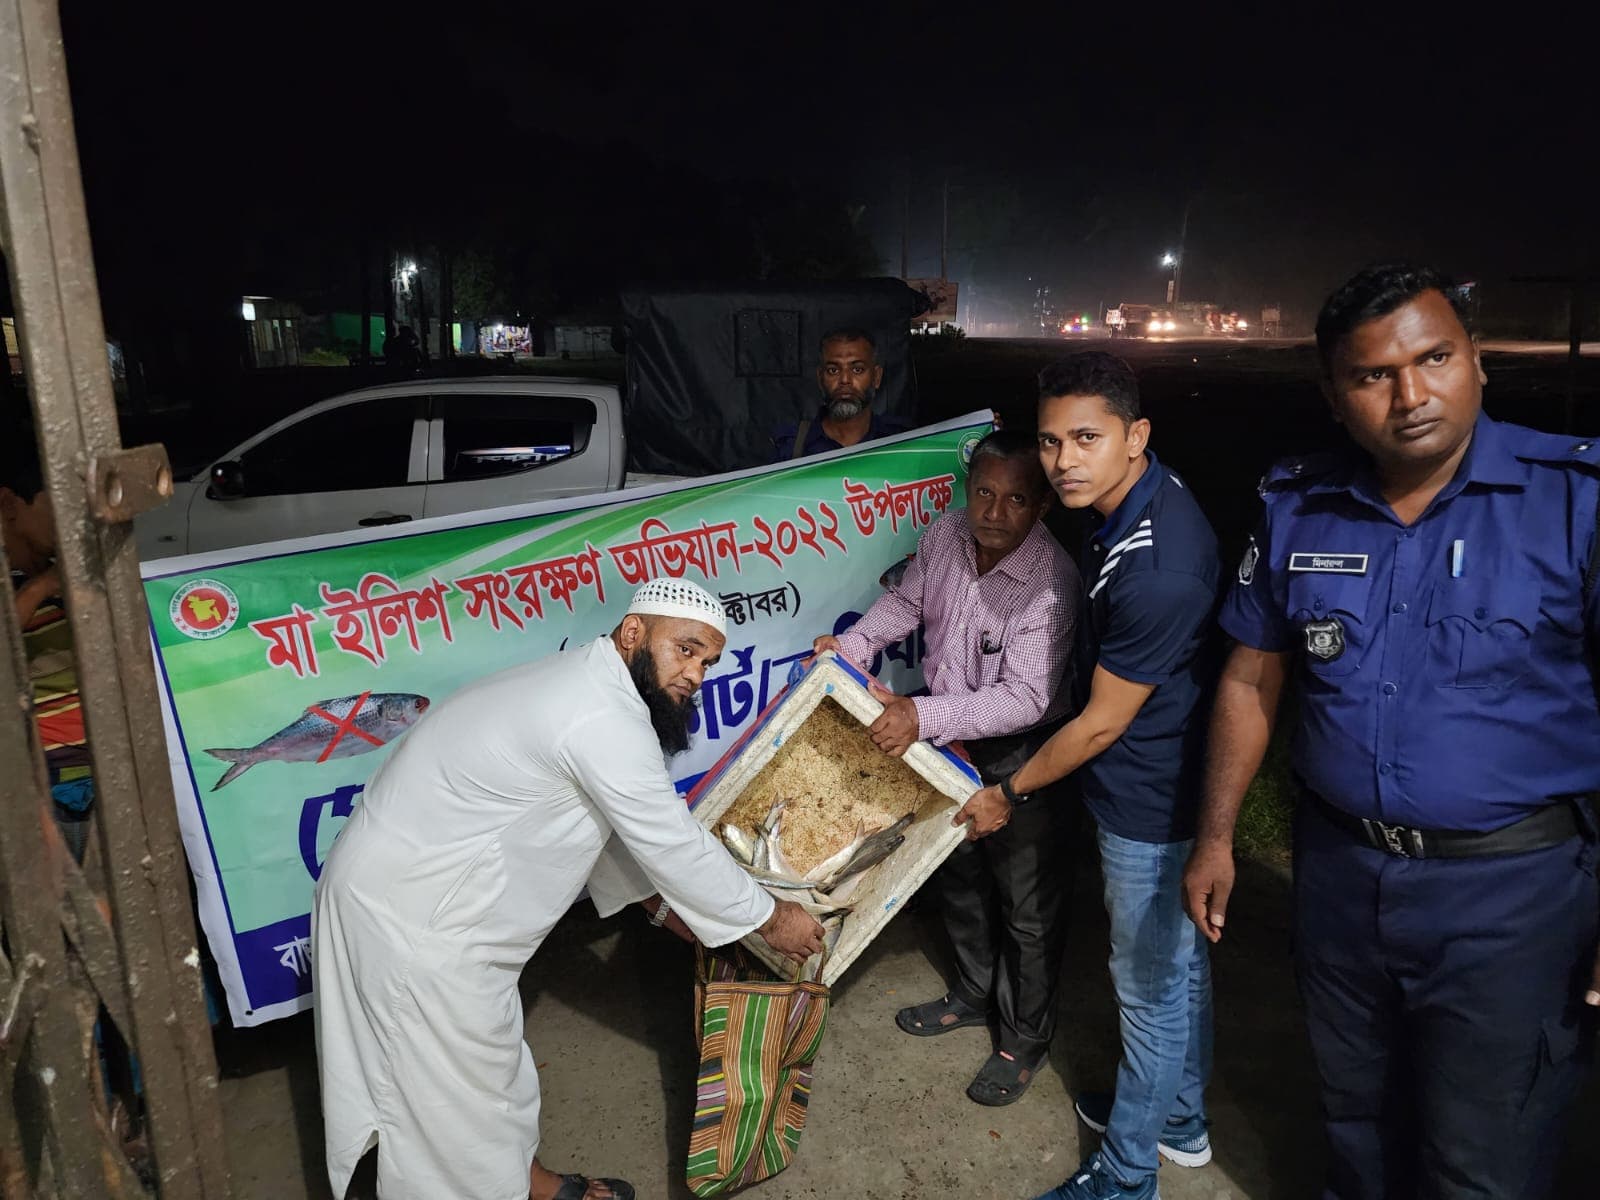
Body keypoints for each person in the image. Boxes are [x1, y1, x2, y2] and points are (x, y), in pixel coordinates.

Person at [1183, 263, 1600, 1199]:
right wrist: (1216, 835)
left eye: (1435, 358)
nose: (1410, 394)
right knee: (1354, 1123)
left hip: (1510, 899)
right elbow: (1251, 677)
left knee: (1482, 1158)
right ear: (1336, 398)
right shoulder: (1300, 506)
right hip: (1340, 881)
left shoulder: (1574, 500)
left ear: (1477, 363)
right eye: (1374, 375)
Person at [312, 578, 825, 1200]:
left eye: (708, 662)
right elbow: (668, 840)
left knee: (481, 1082)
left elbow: (591, 821)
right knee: (454, 1105)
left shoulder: (590, 683)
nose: (695, 673)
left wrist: (661, 907)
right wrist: (771, 919)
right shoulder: (600, 714)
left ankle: (534, 1184)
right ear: (634, 633)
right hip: (414, 921)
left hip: (406, 895)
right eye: (684, 650)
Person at [955, 353, 1219, 1200]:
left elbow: (1101, 721)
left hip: (1150, 794)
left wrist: (1010, 789)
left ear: (1136, 436)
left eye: (1088, 438)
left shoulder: (1159, 564)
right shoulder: (1119, 506)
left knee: (1147, 987)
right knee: (1177, 968)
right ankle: (1176, 1121)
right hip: (1139, 777)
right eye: (1051, 439)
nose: (1064, 459)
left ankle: (1129, 1171)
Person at [813, 429, 1080, 1105]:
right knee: (955, 871)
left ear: (1042, 506)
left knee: (1026, 905)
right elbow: (905, 604)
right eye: (983, 492)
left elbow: (1025, 698)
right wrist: (849, 649)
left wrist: (921, 718)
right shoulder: (945, 534)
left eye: (1015, 499)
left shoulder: (1051, 584)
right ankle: (968, 991)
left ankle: (1022, 1040)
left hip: (1021, 750)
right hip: (944, 731)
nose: (993, 511)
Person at [771, 327, 910, 461]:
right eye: (833, 370)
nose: (844, 380)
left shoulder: (903, 442)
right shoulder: (790, 446)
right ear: (820, 378)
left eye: (857, 370)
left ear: (877, 377)